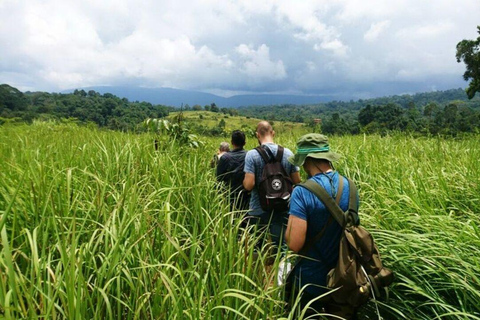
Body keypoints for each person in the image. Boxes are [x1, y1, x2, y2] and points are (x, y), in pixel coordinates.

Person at [284, 133, 360, 319]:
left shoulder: (302, 192)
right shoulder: (351, 186)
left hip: (310, 281)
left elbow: (294, 244)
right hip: (345, 276)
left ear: (307, 160)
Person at [243, 121, 301, 248]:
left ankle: (261, 266)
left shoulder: (251, 155)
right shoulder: (288, 153)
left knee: (257, 247)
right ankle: (281, 267)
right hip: (283, 205)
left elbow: (249, 185)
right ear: (273, 133)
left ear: (257, 135)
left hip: (258, 208)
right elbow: (297, 181)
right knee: (280, 246)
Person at [216, 130, 250, 211]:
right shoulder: (249, 155)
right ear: (244, 143)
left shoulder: (225, 158)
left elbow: (218, 178)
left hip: (228, 197)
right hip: (246, 197)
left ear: (231, 142)